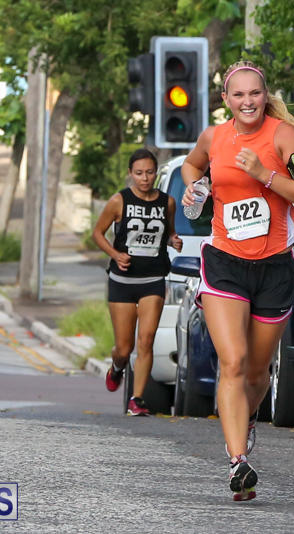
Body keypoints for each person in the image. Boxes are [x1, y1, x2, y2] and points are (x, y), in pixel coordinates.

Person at [181, 60, 294, 501]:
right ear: (226, 99)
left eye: (254, 93)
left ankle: (247, 418)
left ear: (264, 95)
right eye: (238, 95)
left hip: (275, 266)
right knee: (235, 362)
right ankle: (238, 461)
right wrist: (195, 187)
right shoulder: (213, 137)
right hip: (224, 261)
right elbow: (191, 166)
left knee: (257, 372)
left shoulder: (283, 136)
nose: (247, 102)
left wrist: (264, 175)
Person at [92, 148, 183, 416]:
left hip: (153, 279)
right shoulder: (119, 201)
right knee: (124, 348)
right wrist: (115, 254)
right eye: (139, 173)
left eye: (150, 173)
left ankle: (137, 399)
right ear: (131, 174)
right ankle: (117, 367)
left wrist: (173, 240)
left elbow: (168, 232)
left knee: (146, 340)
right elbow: (97, 233)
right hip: (122, 281)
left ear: (155, 173)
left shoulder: (167, 203)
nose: (145, 178)